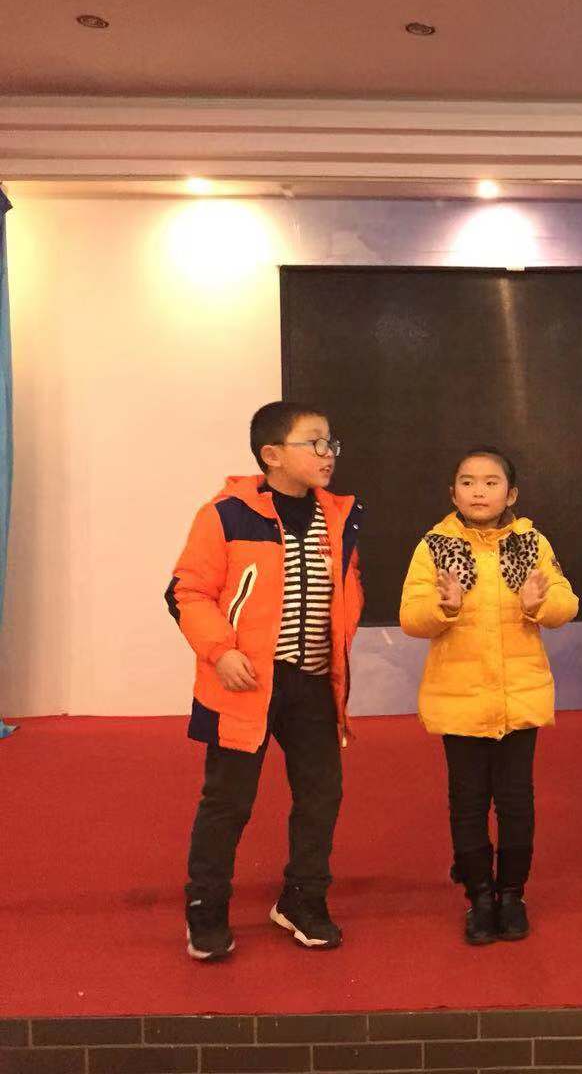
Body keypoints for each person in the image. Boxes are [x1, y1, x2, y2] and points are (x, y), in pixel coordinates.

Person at [166, 401, 363, 960]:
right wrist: (221, 652)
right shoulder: (226, 513)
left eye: (331, 443)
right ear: (272, 455)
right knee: (228, 801)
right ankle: (206, 910)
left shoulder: (341, 516)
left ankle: (303, 899)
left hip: (314, 684)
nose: (328, 454)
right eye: (314, 443)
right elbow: (187, 592)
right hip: (244, 685)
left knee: (321, 794)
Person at [400, 447, 578, 944]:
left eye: (491, 482)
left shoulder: (531, 542)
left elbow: (567, 602)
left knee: (517, 802)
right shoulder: (434, 545)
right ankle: (479, 896)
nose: (479, 491)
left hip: (519, 697)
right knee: (468, 803)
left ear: (511, 493)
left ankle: (513, 894)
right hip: (459, 699)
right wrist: (443, 607)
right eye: (468, 482)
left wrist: (541, 604)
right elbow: (410, 616)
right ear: (453, 492)